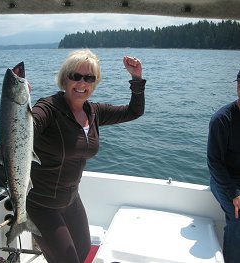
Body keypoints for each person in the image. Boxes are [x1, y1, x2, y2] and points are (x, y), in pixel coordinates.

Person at [26, 49, 146, 263]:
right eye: (76, 76)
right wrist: (18, 107)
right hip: (41, 204)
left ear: (94, 83)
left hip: (71, 199)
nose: (82, 83)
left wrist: (136, 78)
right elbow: (27, 128)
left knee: (83, 254)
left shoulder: (93, 112)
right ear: (65, 78)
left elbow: (133, 112)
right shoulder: (48, 108)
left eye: (89, 78)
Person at [207, 70, 240, 263]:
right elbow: (214, 163)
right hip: (223, 181)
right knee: (238, 217)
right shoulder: (222, 120)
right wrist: (235, 193)